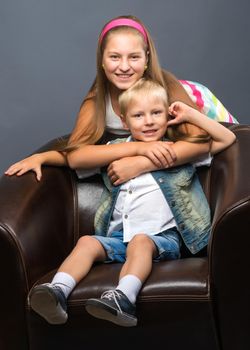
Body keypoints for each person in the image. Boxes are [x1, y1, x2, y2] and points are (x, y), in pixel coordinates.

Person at [28, 78, 236, 327]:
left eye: (156, 113)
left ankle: (123, 298)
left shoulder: (176, 149)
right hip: (118, 238)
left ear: (167, 114)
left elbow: (226, 138)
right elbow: (74, 159)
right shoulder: (114, 150)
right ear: (125, 122)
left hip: (163, 238)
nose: (148, 121)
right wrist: (41, 156)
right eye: (138, 115)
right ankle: (57, 293)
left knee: (141, 241)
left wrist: (191, 113)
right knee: (86, 242)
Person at [4, 15, 237, 184]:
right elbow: (77, 155)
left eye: (133, 57)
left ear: (146, 59)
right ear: (102, 61)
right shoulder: (97, 99)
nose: (124, 67)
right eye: (115, 57)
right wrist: (138, 149)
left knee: (237, 154)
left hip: (207, 117)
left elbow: (200, 144)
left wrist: (142, 163)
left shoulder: (167, 89)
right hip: (151, 146)